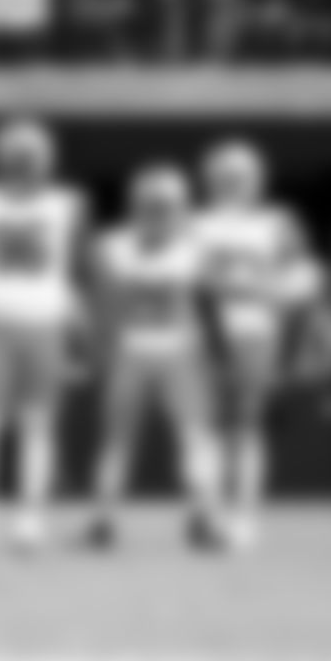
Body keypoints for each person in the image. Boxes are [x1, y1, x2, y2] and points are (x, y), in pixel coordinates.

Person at [0, 118, 87, 549]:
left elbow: (79, 268)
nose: (22, 164)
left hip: (45, 319)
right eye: (15, 155)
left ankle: (29, 514)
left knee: (37, 423)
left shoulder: (67, 204)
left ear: (45, 161)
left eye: (29, 156)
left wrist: (79, 325)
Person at [85, 164, 226, 550]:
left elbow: (103, 310)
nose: (159, 216)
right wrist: (218, 354)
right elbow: (209, 307)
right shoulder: (194, 248)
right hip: (171, 348)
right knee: (190, 438)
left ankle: (106, 519)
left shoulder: (112, 246)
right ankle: (202, 517)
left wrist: (99, 356)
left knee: (125, 441)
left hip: (141, 348)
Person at [195, 139, 316, 549]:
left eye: (240, 177)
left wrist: (266, 293)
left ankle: (242, 515)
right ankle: (211, 512)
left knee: (245, 428)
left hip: (255, 329)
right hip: (206, 330)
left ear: (256, 180)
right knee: (212, 429)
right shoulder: (197, 224)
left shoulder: (278, 223)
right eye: (225, 177)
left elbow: (303, 284)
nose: (232, 184)